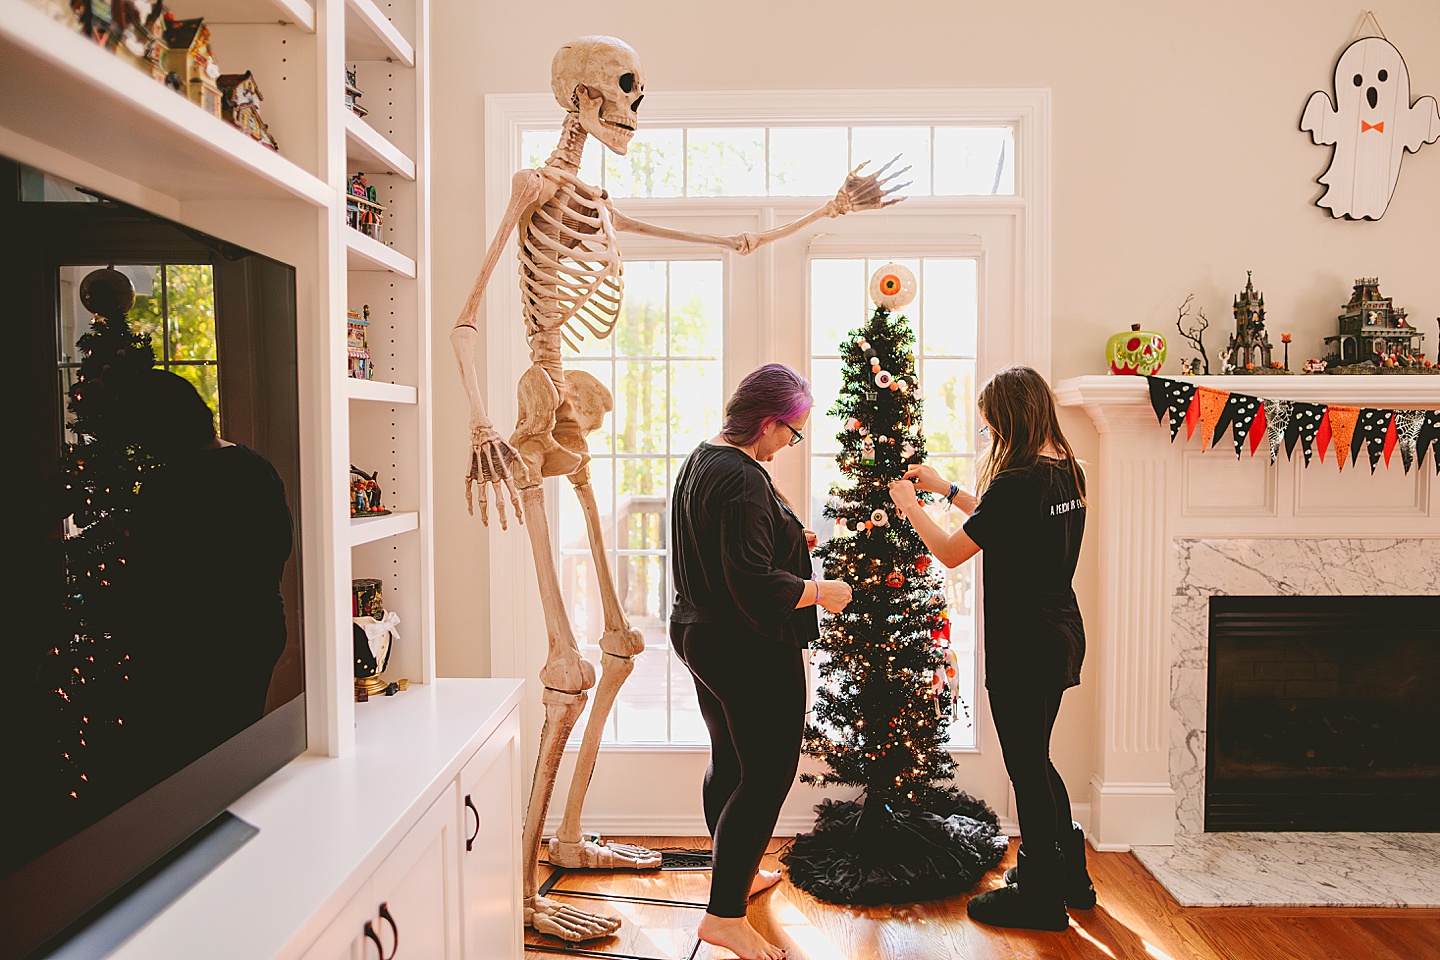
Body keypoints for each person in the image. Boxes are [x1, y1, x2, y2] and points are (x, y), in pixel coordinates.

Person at [886, 365, 1094, 932]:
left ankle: (1041, 897)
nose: (991, 437)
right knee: (1039, 759)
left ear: (1010, 420)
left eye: (992, 427)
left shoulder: (1019, 478)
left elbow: (954, 552)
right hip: (1059, 635)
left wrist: (910, 503)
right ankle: (1071, 878)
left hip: (1023, 645)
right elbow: (1005, 521)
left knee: (1026, 767)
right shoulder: (1065, 471)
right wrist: (947, 489)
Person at [670, 363, 852, 960]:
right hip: (745, 643)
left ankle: (737, 877)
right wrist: (823, 590)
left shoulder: (703, 458)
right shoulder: (745, 478)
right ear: (767, 422)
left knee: (729, 756)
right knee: (768, 773)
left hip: (699, 632)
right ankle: (723, 918)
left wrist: (787, 543)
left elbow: (723, 548)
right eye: (792, 433)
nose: (790, 445)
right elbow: (749, 582)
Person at [116, 368, 295, 777]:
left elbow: (149, 574)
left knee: (190, 761)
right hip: (256, 627)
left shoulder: (168, 484)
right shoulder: (255, 466)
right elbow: (279, 546)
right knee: (231, 750)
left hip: (193, 644)